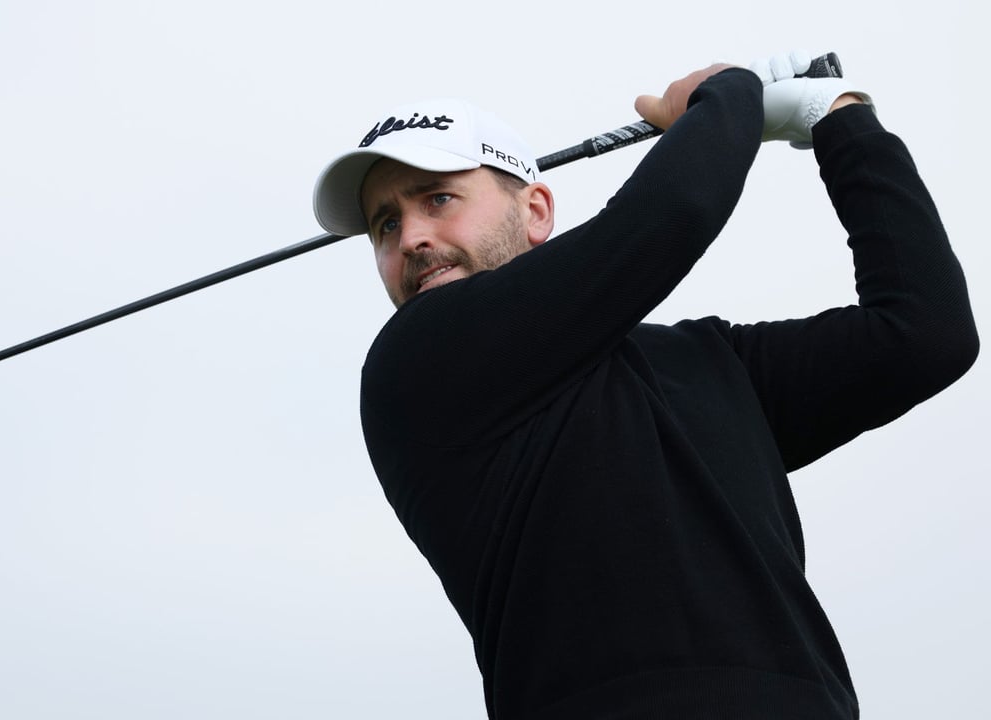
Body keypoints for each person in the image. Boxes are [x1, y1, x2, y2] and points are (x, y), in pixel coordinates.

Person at [310, 52, 979, 719]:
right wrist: (728, 94)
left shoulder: (706, 360)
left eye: (438, 198)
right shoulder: (417, 364)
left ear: (537, 210)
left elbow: (924, 333)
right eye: (385, 224)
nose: (414, 239)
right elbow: (677, 207)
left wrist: (840, 120)